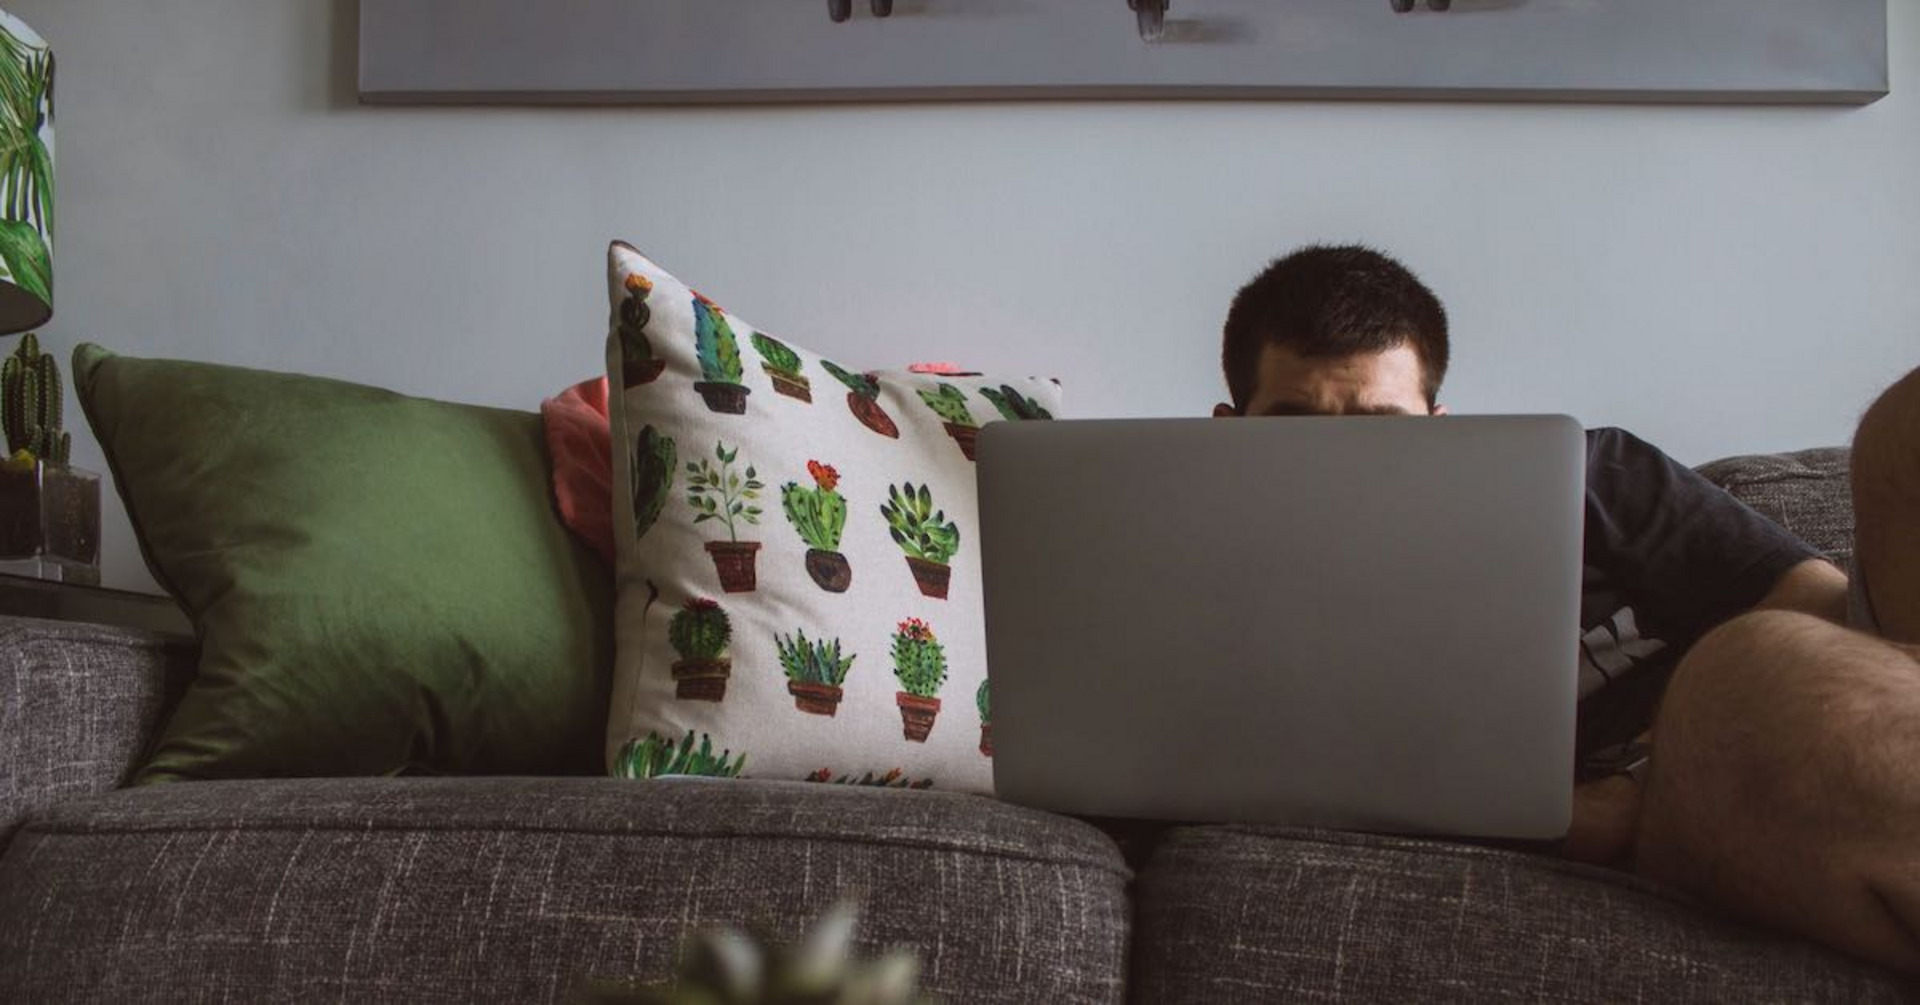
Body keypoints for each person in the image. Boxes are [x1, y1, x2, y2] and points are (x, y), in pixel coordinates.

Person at [1213, 244, 1920, 973]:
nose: (1342, 475)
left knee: (1904, 432)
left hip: (1760, 727)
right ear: (1229, 435)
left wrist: (1628, 782)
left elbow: (1818, 602)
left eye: (1384, 429)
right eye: (1296, 428)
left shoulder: (1588, 474)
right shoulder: (1195, 589)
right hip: (1715, 789)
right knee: (1740, 676)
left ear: (1440, 423)